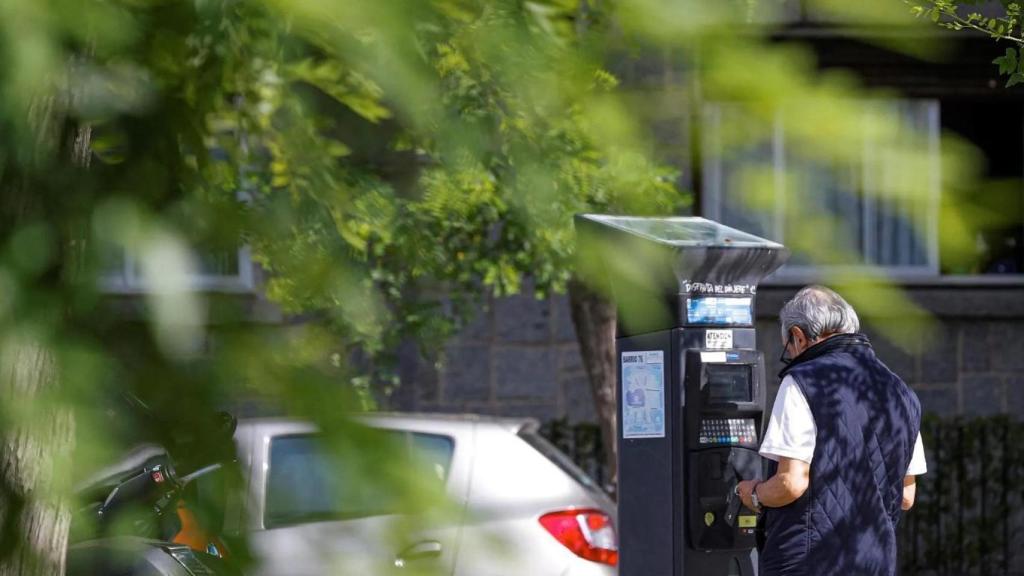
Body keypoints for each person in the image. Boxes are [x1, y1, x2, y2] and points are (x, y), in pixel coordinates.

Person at [736, 285, 926, 576]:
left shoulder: (802, 381)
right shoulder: (900, 390)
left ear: (798, 336)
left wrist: (753, 494)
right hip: (875, 562)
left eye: (789, 344)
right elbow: (906, 496)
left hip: (808, 563)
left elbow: (790, 484)